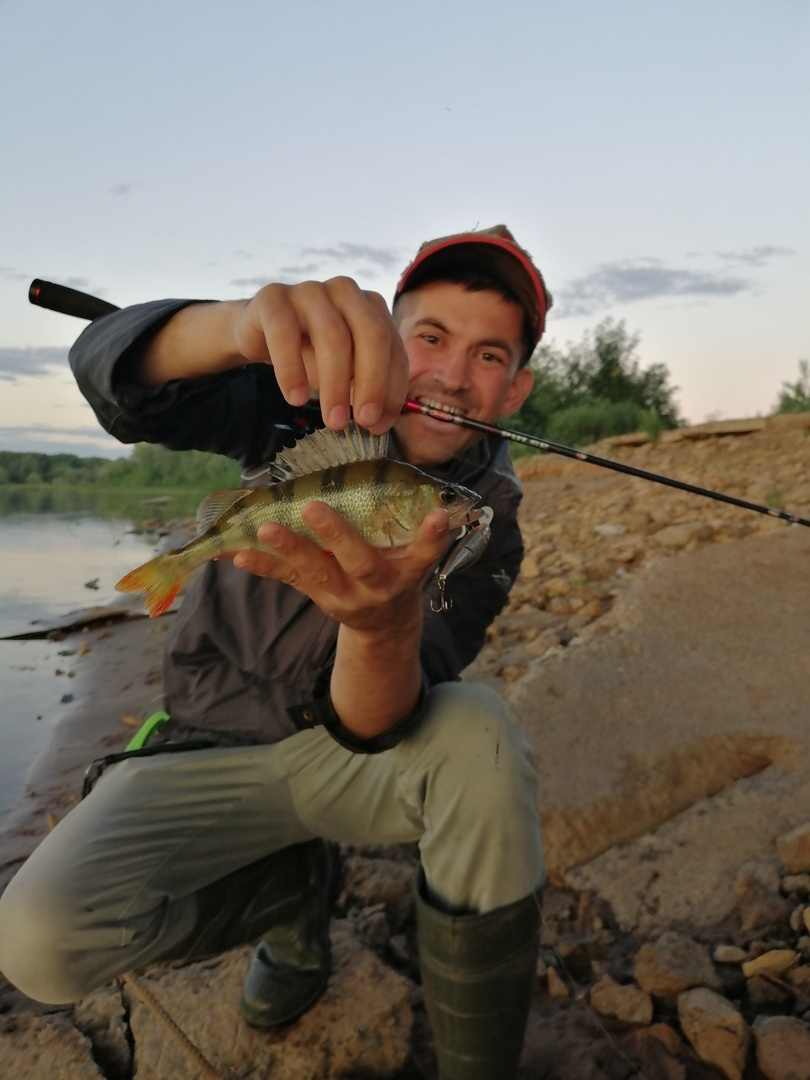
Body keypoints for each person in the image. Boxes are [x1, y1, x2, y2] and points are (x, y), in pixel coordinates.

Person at [0, 225, 551, 1079]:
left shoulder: (487, 518)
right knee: (34, 940)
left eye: (488, 356)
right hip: (205, 744)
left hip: (350, 765)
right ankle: (293, 899)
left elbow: (379, 724)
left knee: (477, 731)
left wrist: (378, 625)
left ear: (514, 389)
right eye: (431, 337)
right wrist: (234, 328)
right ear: (390, 341)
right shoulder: (295, 419)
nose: (450, 373)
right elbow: (120, 385)